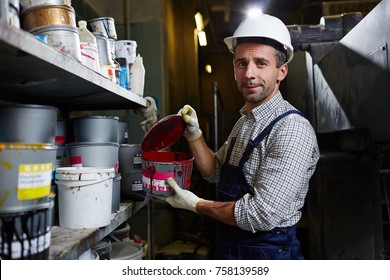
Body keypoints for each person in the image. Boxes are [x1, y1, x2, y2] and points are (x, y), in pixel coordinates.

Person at [163, 13, 320, 260]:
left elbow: (260, 214)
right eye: (241, 63)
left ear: (281, 71)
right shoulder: (244, 122)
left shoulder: (291, 129)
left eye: (260, 63)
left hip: (268, 256)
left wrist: (197, 205)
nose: (249, 73)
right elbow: (213, 170)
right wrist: (194, 135)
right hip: (230, 249)